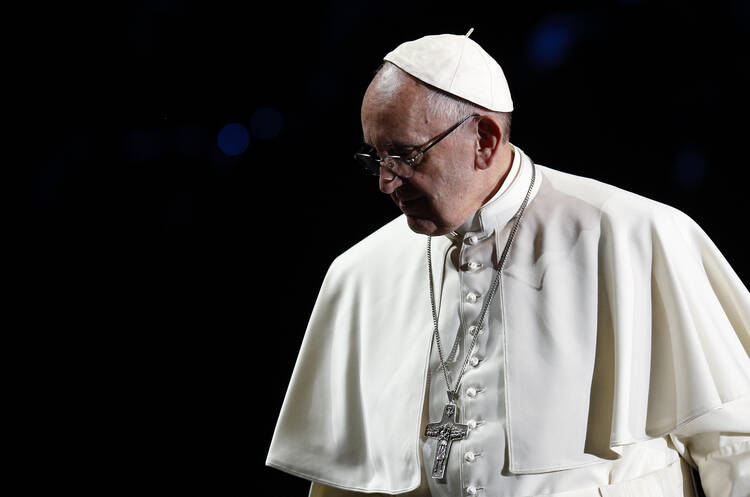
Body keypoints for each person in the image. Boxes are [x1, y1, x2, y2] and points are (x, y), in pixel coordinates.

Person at [266, 30, 750, 497]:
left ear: (485, 139)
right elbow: (350, 480)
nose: (386, 182)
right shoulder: (361, 275)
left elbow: (733, 442)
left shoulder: (634, 236)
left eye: (405, 156)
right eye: (376, 157)